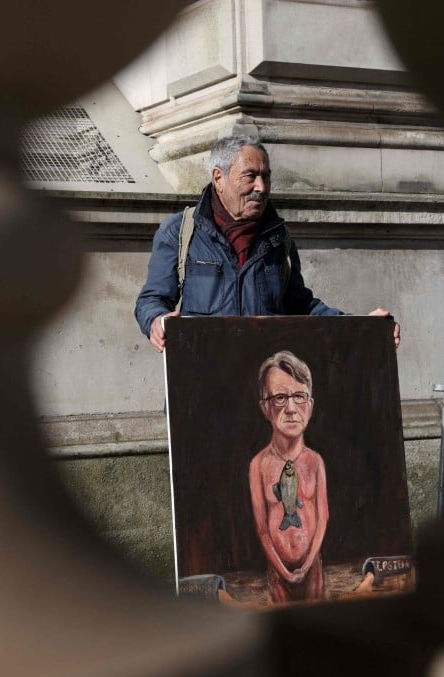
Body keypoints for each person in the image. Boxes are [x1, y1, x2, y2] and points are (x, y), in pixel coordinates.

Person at [134, 135, 400, 352]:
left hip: (263, 389)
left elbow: (301, 307)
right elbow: (152, 299)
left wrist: (362, 326)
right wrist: (157, 321)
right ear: (219, 178)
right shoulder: (180, 232)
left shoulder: (278, 238)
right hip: (198, 388)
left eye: (266, 176)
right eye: (250, 176)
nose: (261, 187)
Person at [248, 351, 329, 604]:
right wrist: (284, 572)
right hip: (277, 573)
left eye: (299, 397)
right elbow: (261, 527)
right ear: (265, 407)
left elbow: (323, 515)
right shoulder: (258, 465)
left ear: (311, 405)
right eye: (280, 398)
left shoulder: (315, 462)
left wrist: (306, 567)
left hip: (313, 569)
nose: (292, 409)